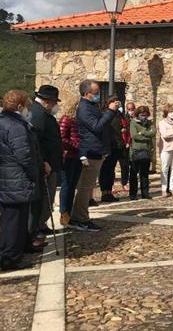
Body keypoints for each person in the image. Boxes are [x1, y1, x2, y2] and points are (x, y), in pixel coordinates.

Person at [68, 80, 118, 232]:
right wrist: (110, 112)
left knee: (87, 186)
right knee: (85, 187)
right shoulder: (84, 109)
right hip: (91, 151)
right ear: (86, 94)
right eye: (96, 93)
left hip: (97, 150)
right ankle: (80, 218)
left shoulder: (91, 106)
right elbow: (96, 126)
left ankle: (78, 216)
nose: (98, 96)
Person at [0, 90, 41, 270]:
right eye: (27, 106)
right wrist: (35, 173)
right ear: (19, 107)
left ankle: (13, 251)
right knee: (14, 220)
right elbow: (24, 155)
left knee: (10, 219)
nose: (28, 110)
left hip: (7, 177)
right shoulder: (15, 126)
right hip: (16, 178)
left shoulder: (4, 122)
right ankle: (10, 258)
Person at [30, 85, 62, 237]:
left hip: (51, 162)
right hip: (46, 164)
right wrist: (43, 161)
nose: (56, 105)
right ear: (48, 101)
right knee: (44, 197)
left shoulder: (42, 112)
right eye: (55, 102)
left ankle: (41, 225)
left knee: (46, 197)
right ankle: (36, 228)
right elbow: (36, 140)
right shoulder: (38, 114)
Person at [59, 97, 81, 226]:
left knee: (73, 185)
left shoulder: (80, 122)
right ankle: (64, 213)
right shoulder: (67, 119)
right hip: (68, 156)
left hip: (77, 156)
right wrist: (76, 145)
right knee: (66, 185)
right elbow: (62, 138)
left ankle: (69, 211)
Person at [99, 96, 124, 203]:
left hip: (117, 145)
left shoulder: (118, 114)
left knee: (111, 171)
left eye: (117, 101)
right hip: (108, 146)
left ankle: (109, 192)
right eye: (113, 101)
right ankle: (104, 193)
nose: (116, 103)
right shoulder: (105, 114)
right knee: (105, 170)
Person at [128, 106, 156, 200]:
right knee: (133, 174)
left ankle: (145, 193)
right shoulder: (133, 123)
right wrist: (146, 134)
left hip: (147, 150)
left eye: (145, 115)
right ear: (138, 115)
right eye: (141, 115)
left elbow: (153, 132)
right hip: (136, 151)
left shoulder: (149, 122)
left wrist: (142, 132)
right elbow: (135, 136)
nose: (143, 117)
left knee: (144, 174)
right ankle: (133, 194)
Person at [159, 104, 173, 197]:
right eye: (171, 112)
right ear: (166, 113)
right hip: (166, 147)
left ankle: (172, 187)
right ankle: (164, 188)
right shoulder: (162, 123)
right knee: (165, 168)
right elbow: (164, 134)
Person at [119, 101, 136, 192]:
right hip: (125, 144)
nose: (131, 111)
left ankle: (131, 181)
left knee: (133, 164)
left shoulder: (136, 118)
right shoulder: (124, 118)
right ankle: (124, 182)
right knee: (124, 165)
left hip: (134, 144)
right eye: (129, 109)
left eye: (132, 109)